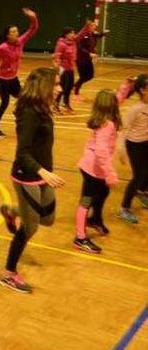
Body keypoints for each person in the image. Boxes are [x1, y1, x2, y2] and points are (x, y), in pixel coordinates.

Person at [0, 67, 63, 294]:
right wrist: (43, 172)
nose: (59, 89)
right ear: (43, 86)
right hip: (27, 176)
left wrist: (46, 172)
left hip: (44, 174)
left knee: (49, 219)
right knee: (31, 226)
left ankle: (12, 211)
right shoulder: (29, 114)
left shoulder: (43, 108)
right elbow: (22, 153)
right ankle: (8, 273)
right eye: (55, 85)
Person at [74, 84, 129, 252]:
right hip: (92, 168)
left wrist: (126, 87)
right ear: (110, 105)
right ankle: (80, 238)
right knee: (86, 201)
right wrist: (110, 173)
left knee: (104, 192)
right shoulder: (108, 125)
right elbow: (101, 152)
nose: (117, 102)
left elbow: (118, 99)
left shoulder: (105, 117)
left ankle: (95, 219)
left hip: (94, 167)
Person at [0, 8, 39, 137]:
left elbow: (33, 28)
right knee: (4, 103)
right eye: (13, 31)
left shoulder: (20, 42)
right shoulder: (2, 48)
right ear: (8, 35)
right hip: (4, 81)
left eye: (17, 31)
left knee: (24, 99)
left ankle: (19, 118)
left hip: (13, 79)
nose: (17, 33)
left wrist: (33, 17)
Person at [118, 74, 148, 225]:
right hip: (134, 145)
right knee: (137, 176)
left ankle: (142, 192)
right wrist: (121, 150)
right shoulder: (135, 109)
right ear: (143, 90)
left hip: (146, 143)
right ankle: (124, 208)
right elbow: (123, 130)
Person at [73, 20, 109, 102]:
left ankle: (75, 85)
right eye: (92, 26)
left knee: (90, 76)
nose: (94, 27)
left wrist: (104, 33)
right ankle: (76, 93)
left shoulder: (91, 34)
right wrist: (89, 53)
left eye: (94, 26)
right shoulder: (83, 36)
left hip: (88, 59)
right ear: (88, 27)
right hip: (81, 60)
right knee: (83, 77)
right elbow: (80, 48)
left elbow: (98, 35)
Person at [52, 27, 77, 113]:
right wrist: (57, 69)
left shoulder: (73, 43)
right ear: (66, 34)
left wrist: (86, 28)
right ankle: (55, 105)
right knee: (62, 88)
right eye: (72, 33)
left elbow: (81, 35)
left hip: (71, 68)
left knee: (69, 87)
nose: (74, 35)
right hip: (63, 68)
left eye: (74, 33)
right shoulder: (61, 44)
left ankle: (66, 103)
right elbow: (57, 57)